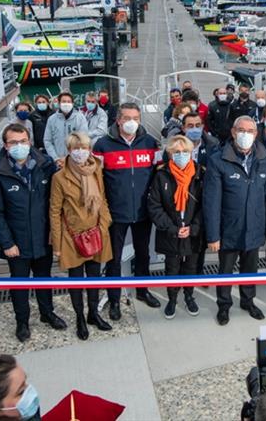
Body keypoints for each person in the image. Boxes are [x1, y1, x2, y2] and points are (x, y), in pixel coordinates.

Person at [0, 124, 67, 342]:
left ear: (29, 142)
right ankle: (22, 321)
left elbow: (55, 200)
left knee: (44, 278)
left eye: (23, 141)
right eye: (13, 142)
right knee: (19, 282)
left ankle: (47, 313)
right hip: (16, 241)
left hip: (43, 236)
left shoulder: (44, 164)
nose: (19, 146)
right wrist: (7, 242)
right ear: (5, 145)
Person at [93, 103, 162, 319]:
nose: (132, 122)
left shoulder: (151, 143)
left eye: (136, 117)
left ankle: (143, 290)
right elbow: (96, 179)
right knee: (113, 259)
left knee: (143, 255)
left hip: (143, 212)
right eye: (127, 118)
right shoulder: (103, 145)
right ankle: (114, 300)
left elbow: (159, 175)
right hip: (116, 213)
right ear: (119, 120)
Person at [204, 116, 266, 325]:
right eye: (241, 130)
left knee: (249, 269)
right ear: (234, 132)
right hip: (229, 229)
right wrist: (213, 235)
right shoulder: (218, 160)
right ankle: (224, 305)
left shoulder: (265, 160)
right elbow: (212, 201)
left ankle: (248, 301)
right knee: (225, 270)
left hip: (254, 227)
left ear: (256, 134)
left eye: (250, 131)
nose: (246, 135)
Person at [49, 132, 113, 340]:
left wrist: (104, 225)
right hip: (72, 236)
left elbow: (102, 199)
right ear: (69, 150)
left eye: (84, 147)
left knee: (94, 277)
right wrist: (57, 244)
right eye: (76, 148)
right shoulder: (59, 177)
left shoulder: (96, 170)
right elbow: (55, 210)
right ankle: (80, 317)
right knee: (76, 280)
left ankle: (93, 313)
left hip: (96, 232)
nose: (80, 152)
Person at [147, 136, 203, 319]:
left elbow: (205, 206)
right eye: (177, 152)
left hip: (192, 234)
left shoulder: (199, 174)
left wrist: (193, 228)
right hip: (171, 233)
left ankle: (189, 296)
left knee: (191, 267)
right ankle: (172, 299)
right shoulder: (161, 175)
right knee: (172, 268)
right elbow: (154, 205)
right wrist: (172, 228)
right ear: (170, 153)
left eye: (185, 151)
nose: (181, 155)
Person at [43, 92, 88, 168]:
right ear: (59, 103)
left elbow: (83, 140)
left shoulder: (80, 118)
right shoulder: (52, 119)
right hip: (57, 163)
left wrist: (68, 158)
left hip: (75, 161)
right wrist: (56, 158)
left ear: (73, 103)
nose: (66, 104)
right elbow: (47, 140)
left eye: (68, 102)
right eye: (64, 101)